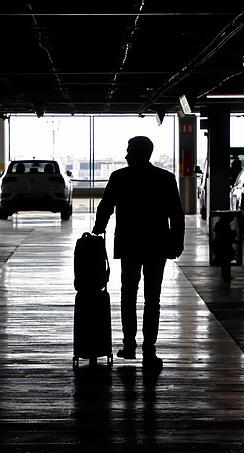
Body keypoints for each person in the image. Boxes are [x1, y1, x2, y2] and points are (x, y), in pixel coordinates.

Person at [92, 136, 185, 369]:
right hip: (157, 245)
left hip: (129, 244)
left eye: (129, 150)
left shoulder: (119, 177)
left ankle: (129, 344)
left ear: (137, 153)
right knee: (153, 298)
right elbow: (176, 214)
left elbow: (106, 207)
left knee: (128, 295)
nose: (125, 155)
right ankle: (149, 349)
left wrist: (98, 230)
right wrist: (177, 243)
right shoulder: (165, 178)